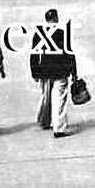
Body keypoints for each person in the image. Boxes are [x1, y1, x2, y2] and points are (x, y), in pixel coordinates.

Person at [30, 9, 77, 138]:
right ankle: (59, 128)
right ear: (56, 19)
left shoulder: (39, 34)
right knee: (59, 100)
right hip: (60, 71)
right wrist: (74, 72)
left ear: (46, 20)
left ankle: (44, 121)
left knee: (45, 97)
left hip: (44, 72)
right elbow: (70, 54)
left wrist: (34, 71)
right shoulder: (62, 34)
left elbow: (34, 55)